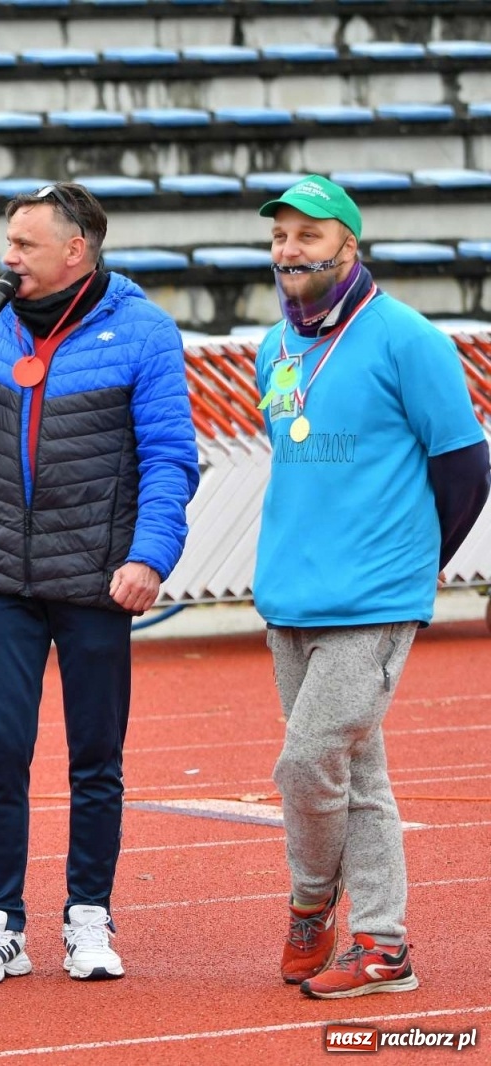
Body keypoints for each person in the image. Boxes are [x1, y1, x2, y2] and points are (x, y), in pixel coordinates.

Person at [0, 182, 199, 985]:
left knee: (94, 757)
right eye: (8, 244)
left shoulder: (143, 329)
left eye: (23, 245)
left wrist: (150, 556)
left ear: (74, 251)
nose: (7, 259)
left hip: (95, 577)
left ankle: (89, 913)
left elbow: (171, 458)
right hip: (2, 575)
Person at [251, 176, 490, 999]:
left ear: (349, 246)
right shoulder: (271, 349)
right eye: (280, 237)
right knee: (356, 772)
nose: (289, 252)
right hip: (287, 594)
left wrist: (414, 563)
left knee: (307, 761)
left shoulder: (408, 338)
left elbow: (464, 467)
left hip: (375, 598)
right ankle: (382, 945)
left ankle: (313, 900)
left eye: (308, 236)